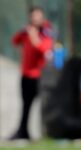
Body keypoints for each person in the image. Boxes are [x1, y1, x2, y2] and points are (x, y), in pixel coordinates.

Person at [10, 6, 53, 140]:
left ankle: (48, 131)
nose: (36, 20)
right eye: (33, 17)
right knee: (26, 105)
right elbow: (15, 41)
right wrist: (24, 32)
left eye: (38, 17)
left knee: (45, 105)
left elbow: (43, 49)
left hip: (39, 76)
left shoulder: (46, 32)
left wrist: (34, 36)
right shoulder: (26, 32)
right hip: (26, 75)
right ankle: (23, 132)